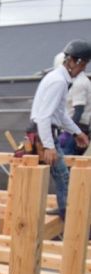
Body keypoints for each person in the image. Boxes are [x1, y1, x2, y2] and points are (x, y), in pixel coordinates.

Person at [28, 40, 91, 218]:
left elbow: (61, 114)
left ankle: (65, 211)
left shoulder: (58, 79)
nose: (83, 70)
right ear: (73, 61)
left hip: (42, 132)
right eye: (83, 64)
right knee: (62, 175)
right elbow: (45, 116)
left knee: (57, 174)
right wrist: (49, 146)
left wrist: (77, 133)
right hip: (43, 133)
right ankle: (68, 214)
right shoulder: (58, 82)